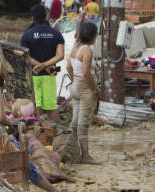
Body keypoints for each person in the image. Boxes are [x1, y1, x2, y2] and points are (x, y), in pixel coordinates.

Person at [0, 68, 60, 192]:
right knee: (26, 164)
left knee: (18, 147)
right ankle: (55, 191)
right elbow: (0, 118)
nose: (1, 92)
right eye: (2, 89)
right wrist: (11, 121)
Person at [21, 4, 65, 124]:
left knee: (35, 109)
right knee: (52, 110)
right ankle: (58, 137)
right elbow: (60, 55)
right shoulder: (56, 34)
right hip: (49, 76)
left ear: (32, 18)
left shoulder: (27, 34)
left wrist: (40, 65)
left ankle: (38, 137)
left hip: (33, 76)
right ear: (46, 16)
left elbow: (25, 56)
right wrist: (45, 66)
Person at [67, 22, 100, 164]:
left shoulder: (76, 47)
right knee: (83, 123)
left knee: (75, 122)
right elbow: (86, 72)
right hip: (85, 88)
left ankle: (71, 153)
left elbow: (69, 67)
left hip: (75, 86)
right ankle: (85, 156)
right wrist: (95, 88)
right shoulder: (87, 50)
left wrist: (74, 80)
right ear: (93, 36)